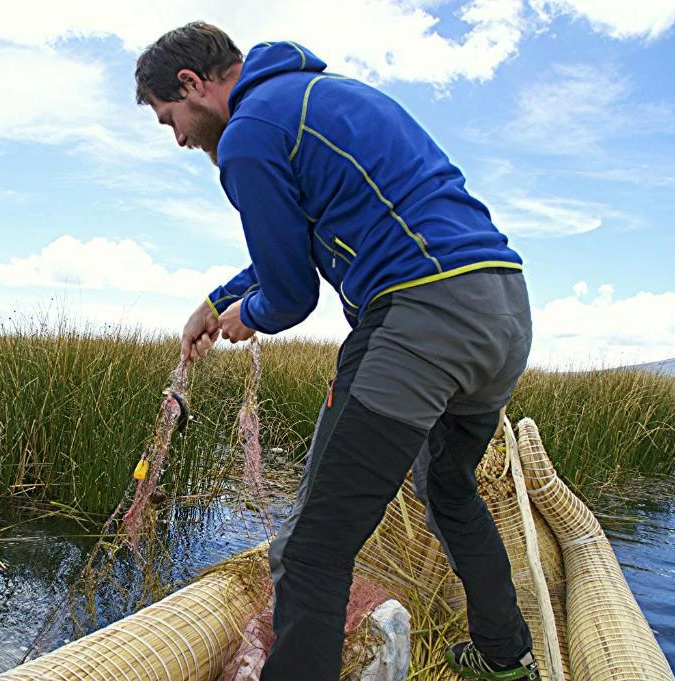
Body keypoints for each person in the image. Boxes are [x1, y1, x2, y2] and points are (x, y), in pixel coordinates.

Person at [135, 22, 539, 681]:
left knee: (311, 551)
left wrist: (250, 315)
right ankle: (505, 655)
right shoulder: (312, 96)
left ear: (192, 85)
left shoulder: (248, 133)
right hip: (503, 308)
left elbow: (290, 293)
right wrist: (216, 303)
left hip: (421, 314)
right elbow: (297, 236)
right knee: (449, 487)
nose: (178, 137)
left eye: (168, 119)